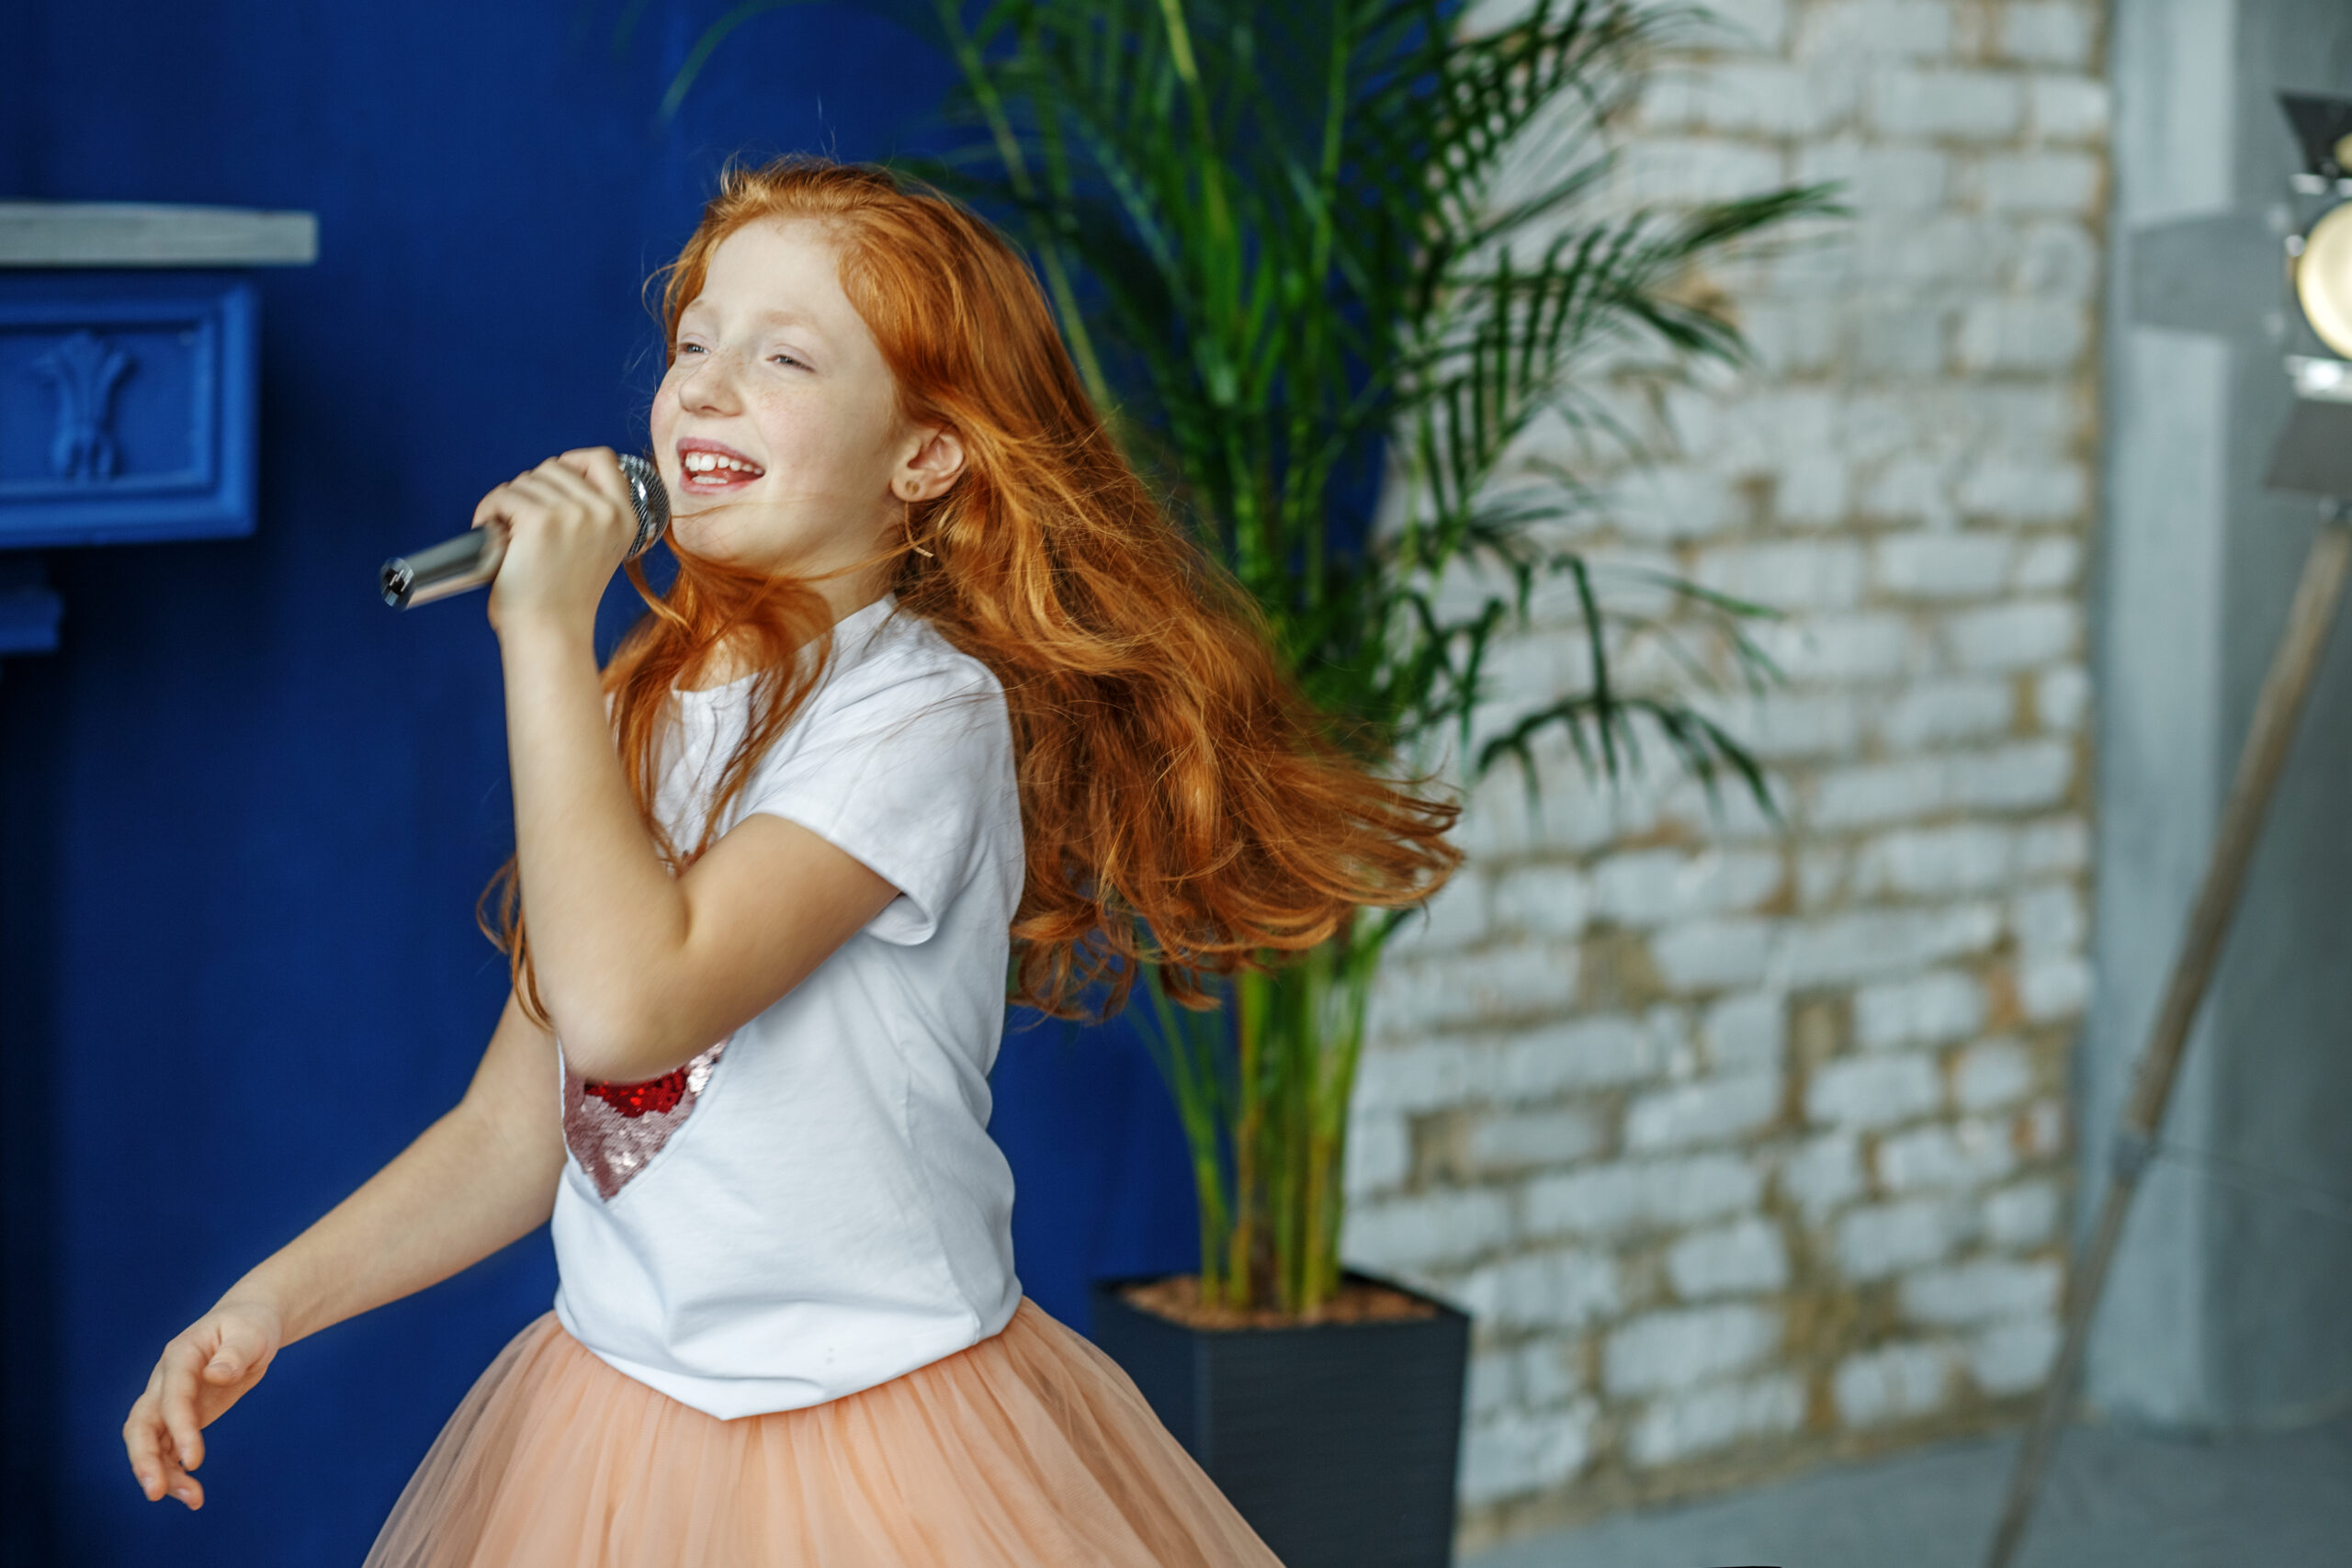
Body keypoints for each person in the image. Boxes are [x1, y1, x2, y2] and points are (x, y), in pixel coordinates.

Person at [119, 155, 1458, 1566]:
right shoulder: (644, 696)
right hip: (618, 1423)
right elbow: (525, 1129)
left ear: (924, 454)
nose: (702, 384)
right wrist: (272, 1300)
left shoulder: (921, 718)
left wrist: (536, 640)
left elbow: (643, 1003)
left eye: (783, 357)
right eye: (694, 341)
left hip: (890, 1441)